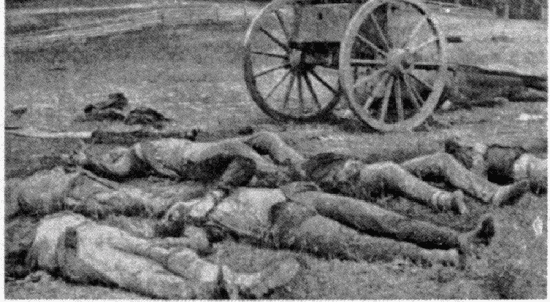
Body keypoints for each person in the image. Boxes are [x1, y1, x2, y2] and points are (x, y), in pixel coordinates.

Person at [8, 166, 494, 268]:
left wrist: (213, 193)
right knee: (365, 244)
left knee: (382, 218)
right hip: (285, 225)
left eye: (170, 207)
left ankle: (462, 234)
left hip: (295, 193)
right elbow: (197, 248)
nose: (170, 208)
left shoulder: (207, 194)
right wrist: (175, 230)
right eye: (167, 214)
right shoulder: (199, 227)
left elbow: (242, 163)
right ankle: (448, 256)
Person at [25, 212, 300, 299]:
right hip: (67, 250)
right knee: (141, 273)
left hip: (86, 228)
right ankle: (214, 290)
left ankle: (238, 280)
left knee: (160, 252)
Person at [304, 149, 530, 214]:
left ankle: (494, 194)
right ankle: (444, 201)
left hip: (364, 170)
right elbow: (326, 183)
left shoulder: (311, 157)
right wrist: (344, 170)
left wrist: (352, 162)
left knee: (440, 159)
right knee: (390, 169)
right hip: (353, 182)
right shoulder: (303, 168)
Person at [65, 131, 305, 189]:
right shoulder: (134, 155)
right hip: (191, 159)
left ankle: (299, 164)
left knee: (264, 137)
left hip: (197, 149)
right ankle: (285, 172)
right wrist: (88, 162)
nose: (113, 153)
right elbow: (116, 172)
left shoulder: (140, 148)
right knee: (238, 149)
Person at [444, 136, 547, 194]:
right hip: (510, 165)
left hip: (510, 159)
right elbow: (478, 173)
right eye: (459, 141)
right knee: (535, 166)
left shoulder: (470, 152)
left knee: (534, 161)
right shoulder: (466, 160)